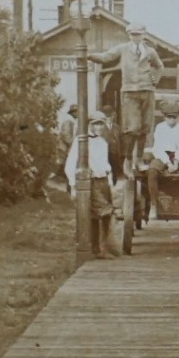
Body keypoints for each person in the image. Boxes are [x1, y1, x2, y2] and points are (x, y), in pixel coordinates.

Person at [88, 23, 163, 168]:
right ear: (129, 35)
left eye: (138, 34)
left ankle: (139, 160)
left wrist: (155, 80)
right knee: (133, 127)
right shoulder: (123, 49)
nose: (136, 37)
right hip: (130, 92)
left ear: (143, 35)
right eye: (133, 35)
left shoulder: (150, 52)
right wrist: (88, 55)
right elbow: (105, 57)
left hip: (147, 91)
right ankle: (128, 160)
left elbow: (159, 66)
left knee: (145, 127)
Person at [65, 111, 118, 258]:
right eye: (96, 124)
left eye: (101, 124)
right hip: (92, 182)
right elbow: (70, 164)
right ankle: (100, 248)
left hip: (103, 181)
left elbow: (106, 165)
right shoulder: (81, 142)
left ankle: (100, 248)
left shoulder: (102, 142)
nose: (99, 127)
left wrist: (110, 183)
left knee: (99, 215)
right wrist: (73, 186)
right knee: (104, 211)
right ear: (89, 125)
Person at [146, 101, 179, 217]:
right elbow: (158, 148)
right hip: (163, 156)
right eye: (169, 117)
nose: (171, 120)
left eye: (174, 117)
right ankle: (153, 205)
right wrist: (168, 162)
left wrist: (176, 161)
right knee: (152, 170)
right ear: (164, 117)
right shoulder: (160, 128)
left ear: (178, 117)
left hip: (178, 155)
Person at [56, 103, 79, 188]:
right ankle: (70, 187)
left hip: (68, 148)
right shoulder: (68, 121)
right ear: (73, 112)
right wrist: (73, 144)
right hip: (66, 149)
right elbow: (66, 135)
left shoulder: (72, 121)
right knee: (70, 168)